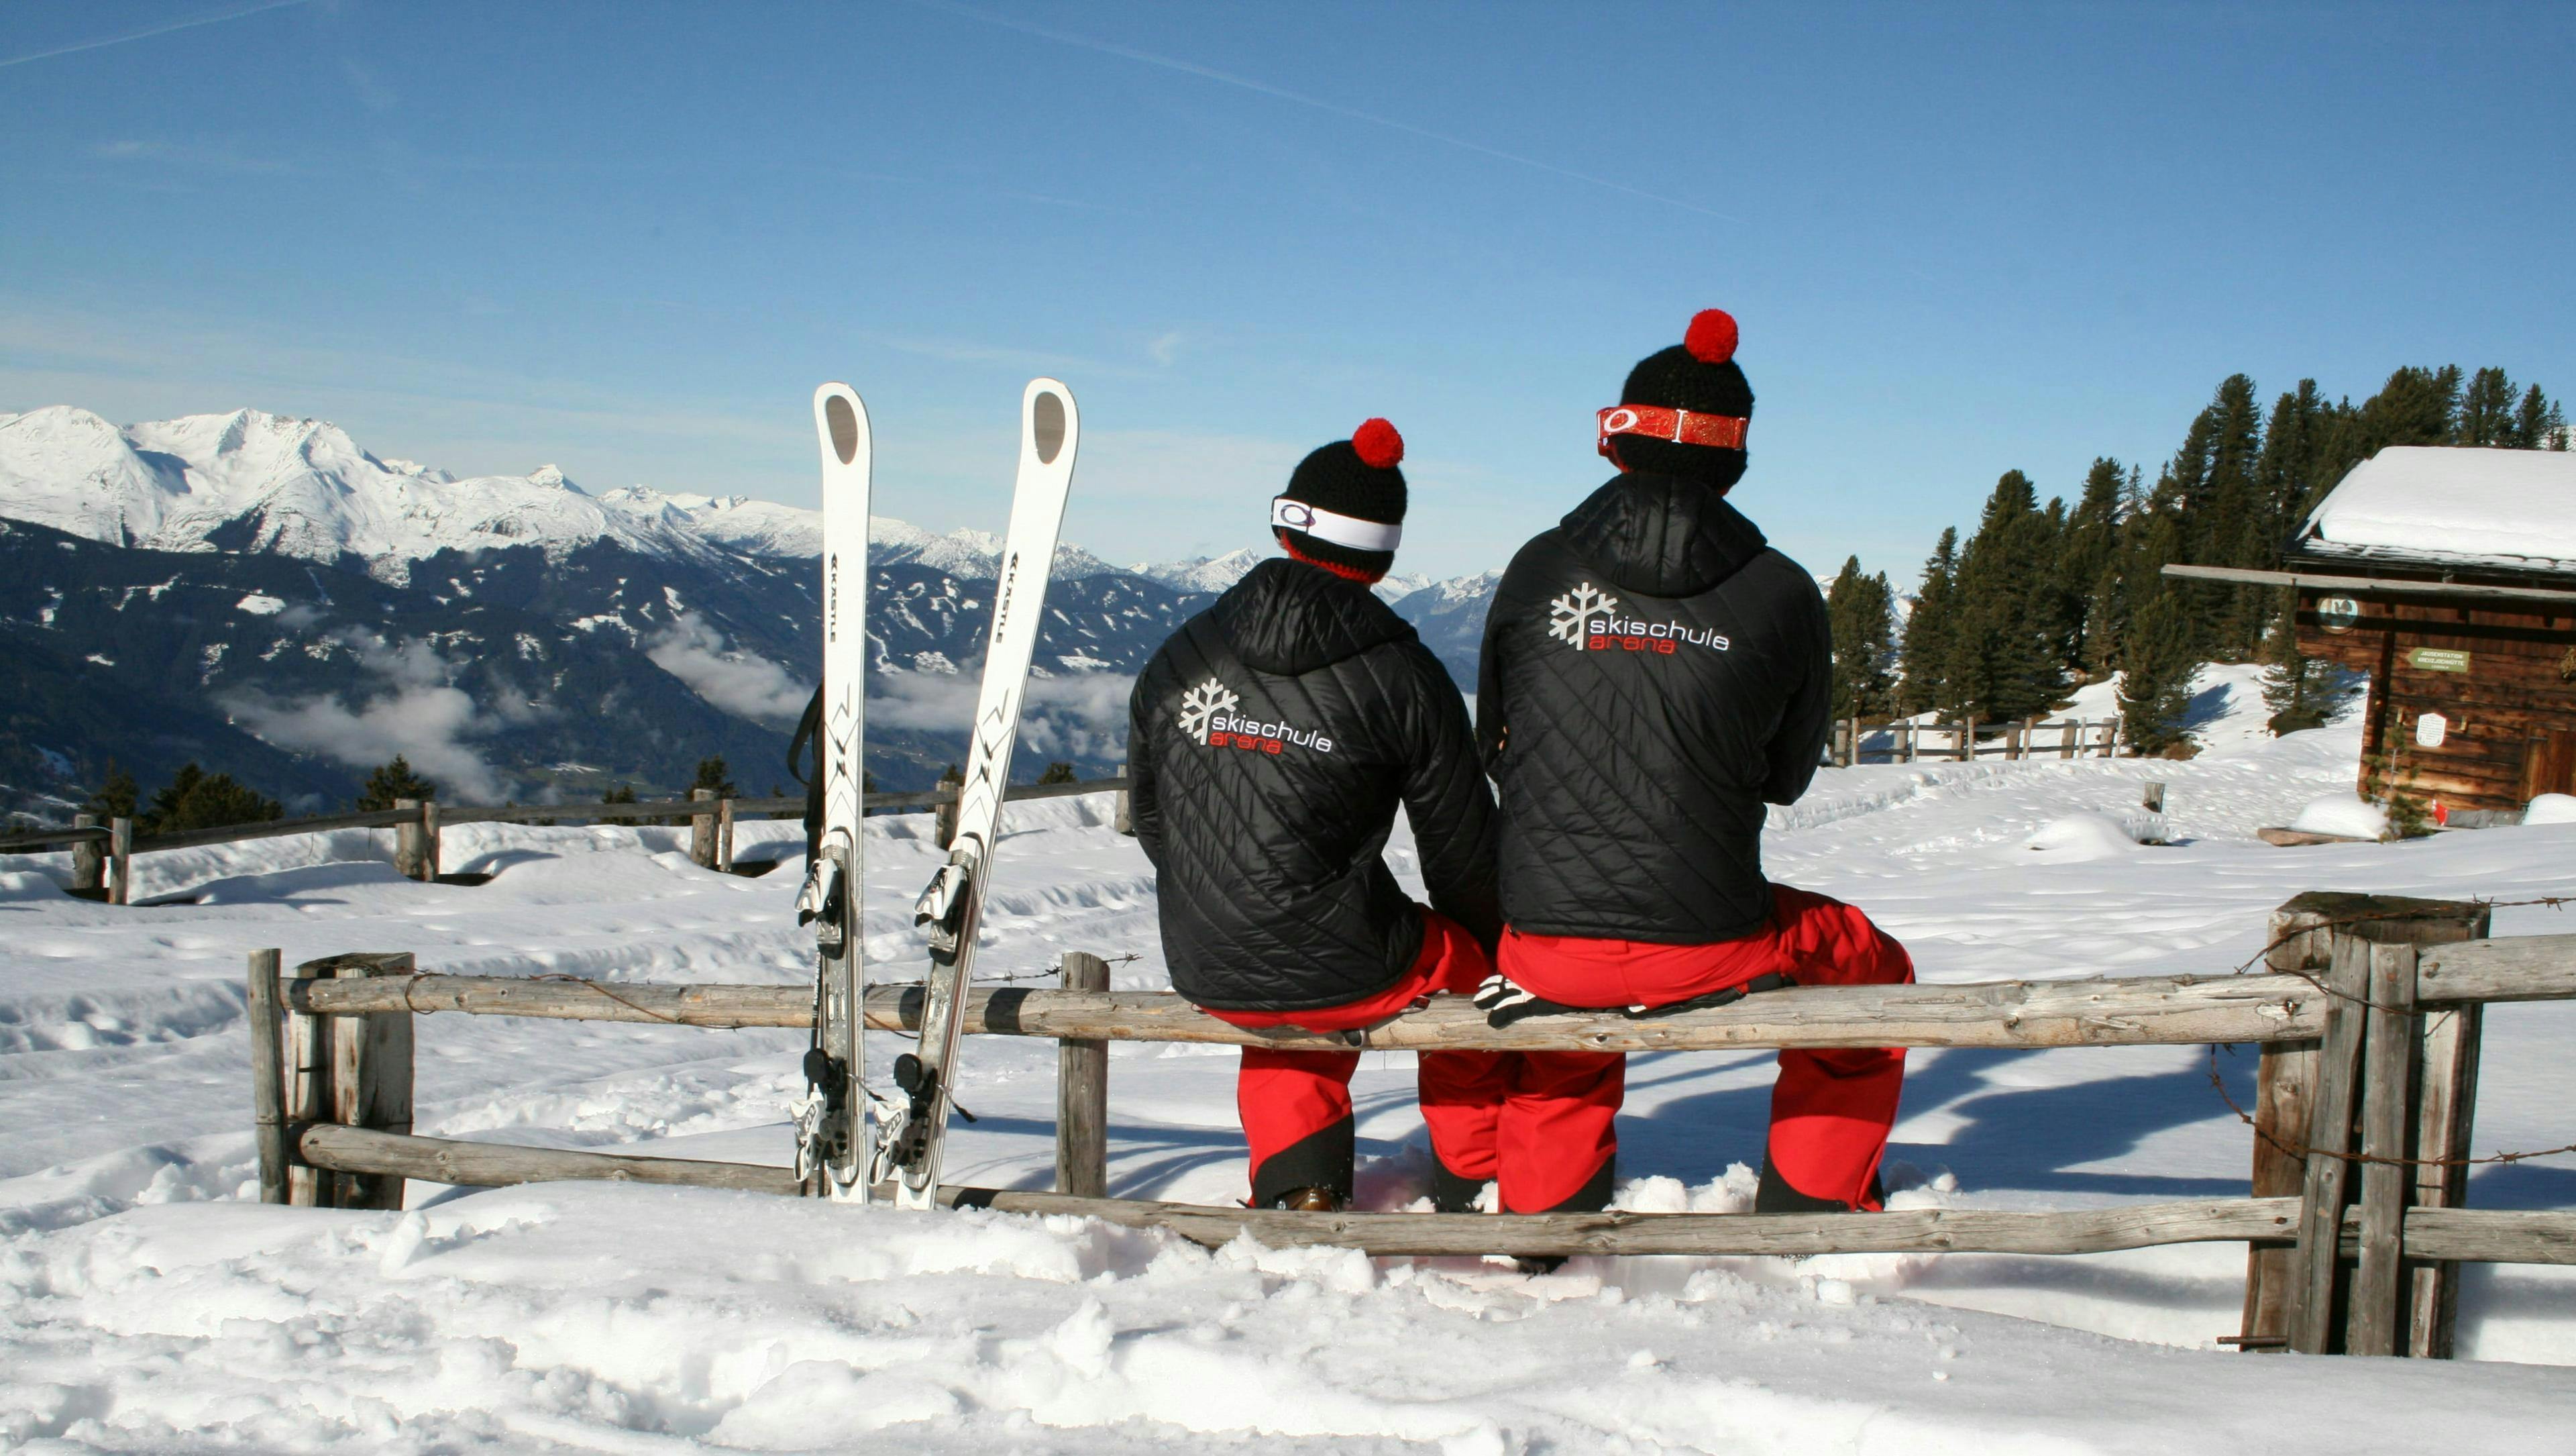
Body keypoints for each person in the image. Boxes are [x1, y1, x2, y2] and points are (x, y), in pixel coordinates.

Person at [1472, 309, 1915, 1215]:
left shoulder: (1537, 570)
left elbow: (1495, 748)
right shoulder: (1783, 590)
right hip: (1712, 939)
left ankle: (1542, 1211)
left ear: (1619, 440)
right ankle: (1814, 1199)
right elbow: (1787, 778)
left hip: (1541, 936)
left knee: (1563, 1022)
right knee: (1873, 969)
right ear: (1735, 455)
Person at [1128, 418, 1513, 1212]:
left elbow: (1152, 818)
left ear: (1286, 524)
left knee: (1287, 992)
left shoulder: (1184, 649)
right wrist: (1495, 943)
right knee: (1467, 980)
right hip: (1338, 957)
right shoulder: (1404, 672)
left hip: (1203, 954)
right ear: (1384, 553)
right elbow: (1462, 853)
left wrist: (1226, 894)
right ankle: (1477, 1172)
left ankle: (1297, 1183)